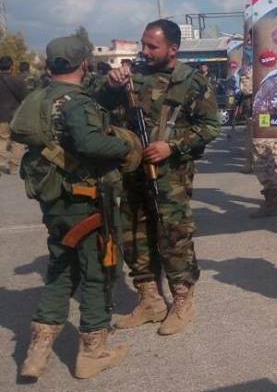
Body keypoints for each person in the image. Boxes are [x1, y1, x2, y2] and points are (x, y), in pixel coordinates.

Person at [13, 36, 140, 380]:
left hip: (53, 200)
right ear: (83, 64)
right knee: (97, 270)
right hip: (84, 200)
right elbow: (88, 142)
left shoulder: (39, 97)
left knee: (60, 268)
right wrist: (125, 145)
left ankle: (36, 355)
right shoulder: (76, 102)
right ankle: (93, 352)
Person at [95, 19, 220, 336]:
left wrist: (171, 146)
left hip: (170, 176)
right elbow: (97, 104)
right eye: (143, 44)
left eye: (153, 46)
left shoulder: (190, 82)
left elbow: (209, 127)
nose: (145, 51)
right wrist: (110, 85)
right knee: (134, 236)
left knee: (173, 236)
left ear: (173, 49)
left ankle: (182, 301)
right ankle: (150, 300)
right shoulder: (130, 77)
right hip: (131, 171)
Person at [0, 55, 28, 175]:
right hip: (15, 116)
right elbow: (25, 99)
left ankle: (1, 162)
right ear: (11, 67)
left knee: (2, 139)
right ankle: (13, 166)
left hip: (1, 116)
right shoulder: (18, 81)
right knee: (18, 141)